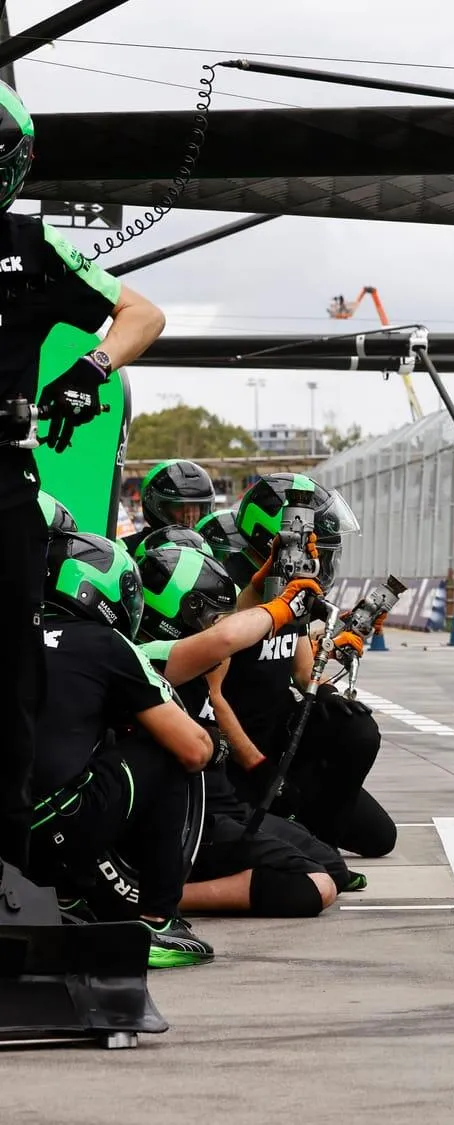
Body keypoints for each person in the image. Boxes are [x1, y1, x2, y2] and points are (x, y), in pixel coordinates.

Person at [0, 79, 167, 872]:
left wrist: (91, 367)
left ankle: (9, 862)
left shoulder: (32, 246)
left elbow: (142, 314)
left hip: (3, 482)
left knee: (12, 676)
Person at [29, 530, 217, 967]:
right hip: (51, 824)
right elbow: (195, 749)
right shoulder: (109, 646)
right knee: (170, 754)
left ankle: (70, 895)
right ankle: (157, 921)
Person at [135, 543, 347, 917]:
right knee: (314, 887)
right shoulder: (148, 658)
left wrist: (260, 583)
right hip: (190, 820)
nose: (225, 620)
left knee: (333, 866)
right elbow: (225, 637)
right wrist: (282, 608)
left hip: (223, 806)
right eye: (215, 614)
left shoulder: (184, 652)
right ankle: (154, 894)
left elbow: (230, 624)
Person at [220, 473, 396, 859]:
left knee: (380, 832)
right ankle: (312, 842)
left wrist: (333, 681)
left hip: (278, 736)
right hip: (235, 751)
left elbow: (302, 670)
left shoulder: (293, 585)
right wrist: (257, 764)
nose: (321, 560)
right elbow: (210, 692)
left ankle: (315, 833)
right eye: (318, 549)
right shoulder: (224, 584)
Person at [122, 458, 220, 553]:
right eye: (179, 506)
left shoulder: (216, 546)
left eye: (195, 506)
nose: (189, 514)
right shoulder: (124, 549)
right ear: (155, 507)